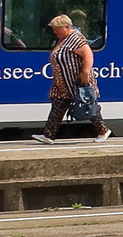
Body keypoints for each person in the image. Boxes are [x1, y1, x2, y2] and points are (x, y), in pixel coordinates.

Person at [34, 14, 107, 143]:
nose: (54, 31)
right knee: (58, 106)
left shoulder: (75, 38)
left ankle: (103, 131)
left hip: (76, 81)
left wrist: (85, 71)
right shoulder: (62, 38)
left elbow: (88, 54)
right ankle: (48, 135)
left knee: (88, 105)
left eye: (56, 28)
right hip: (63, 83)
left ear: (66, 27)